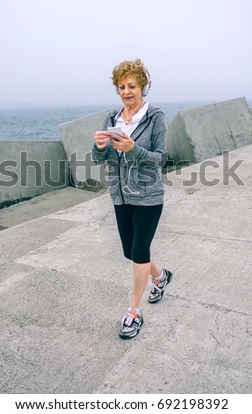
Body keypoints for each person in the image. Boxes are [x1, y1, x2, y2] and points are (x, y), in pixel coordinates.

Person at [92, 59, 172, 339]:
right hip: (120, 195)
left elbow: (161, 159)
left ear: (143, 87)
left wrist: (133, 148)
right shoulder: (111, 118)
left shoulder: (155, 118)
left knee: (139, 253)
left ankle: (133, 312)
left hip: (149, 197)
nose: (126, 91)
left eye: (132, 86)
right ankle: (161, 276)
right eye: (122, 86)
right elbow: (99, 158)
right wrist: (99, 145)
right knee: (132, 252)